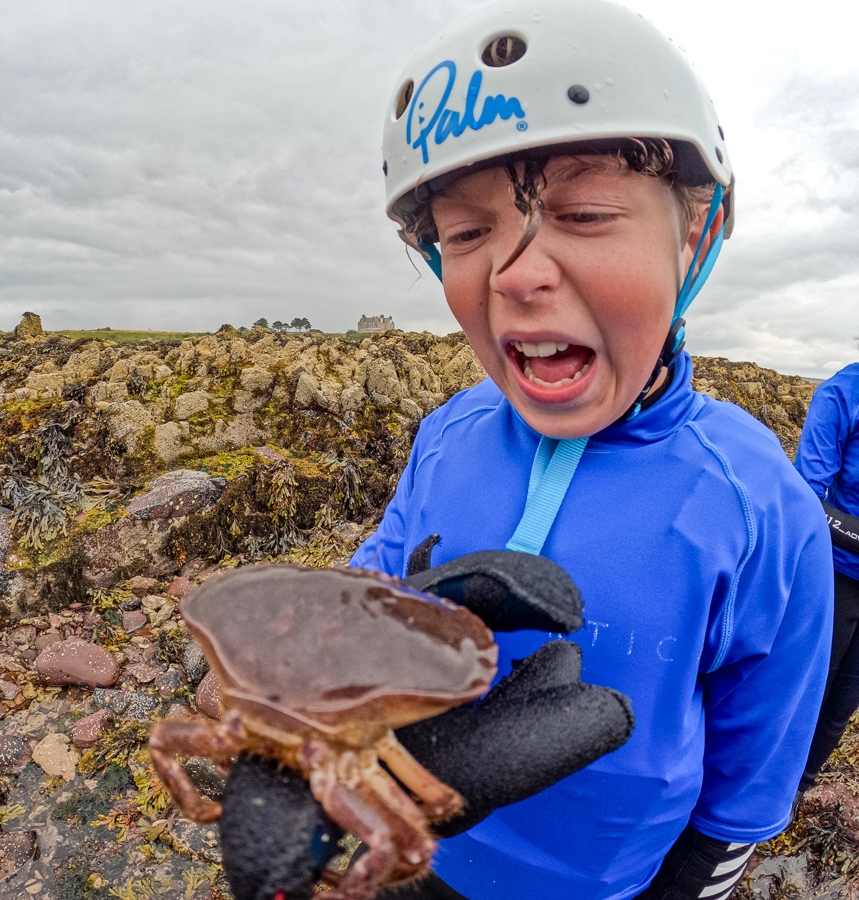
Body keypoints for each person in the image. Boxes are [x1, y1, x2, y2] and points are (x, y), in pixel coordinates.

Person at [218, 1, 834, 897]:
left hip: (617, 882)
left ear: (696, 234)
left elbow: (758, 764)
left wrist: (689, 883)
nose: (516, 272)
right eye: (467, 234)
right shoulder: (447, 437)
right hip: (422, 851)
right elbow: (367, 589)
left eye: (583, 213)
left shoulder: (760, 506)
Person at [795, 353, 859, 798]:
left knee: (843, 703)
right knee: (808, 690)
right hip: (835, 572)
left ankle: (800, 788)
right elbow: (806, 497)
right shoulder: (841, 393)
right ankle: (764, 787)